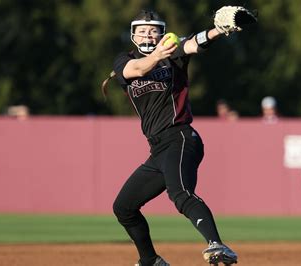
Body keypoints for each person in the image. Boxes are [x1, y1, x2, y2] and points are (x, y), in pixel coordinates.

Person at [101, 9, 245, 266]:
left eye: (153, 30)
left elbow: (194, 43)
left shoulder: (174, 54)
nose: (147, 34)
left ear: (162, 33)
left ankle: (217, 245)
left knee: (181, 194)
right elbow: (136, 69)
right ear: (133, 34)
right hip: (158, 148)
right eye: (142, 30)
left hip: (180, 137)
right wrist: (158, 54)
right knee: (124, 207)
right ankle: (151, 261)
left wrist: (218, 31)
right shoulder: (125, 59)